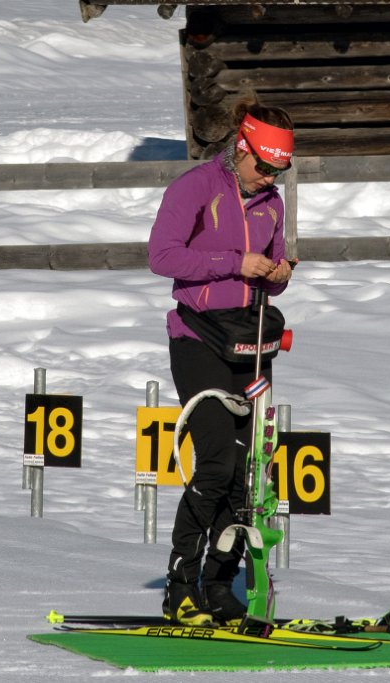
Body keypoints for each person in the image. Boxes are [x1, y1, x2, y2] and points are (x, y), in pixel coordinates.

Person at [148, 99, 295, 626]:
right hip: (197, 338)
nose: (269, 176)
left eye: (279, 169)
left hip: (250, 342)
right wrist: (233, 264)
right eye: (264, 165)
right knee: (216, 463)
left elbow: (273, 266)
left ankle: (219, 584)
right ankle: (180, 586)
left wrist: (278, 274)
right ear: (240, 148)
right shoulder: (195, 187)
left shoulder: (273, 203)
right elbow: (161, 256)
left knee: (249, 474)